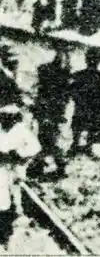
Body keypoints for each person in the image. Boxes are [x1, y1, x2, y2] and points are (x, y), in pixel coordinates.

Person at [0, 103, 40, 249]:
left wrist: (19, 154)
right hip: (2, 166)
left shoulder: (20, 130)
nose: (6, 120)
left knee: (10, 194)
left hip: (13, 166)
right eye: (3, 117)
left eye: (10, 117)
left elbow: (35, 148)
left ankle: (7, 230)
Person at [31, 46, 71, 179]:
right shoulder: (63, 75)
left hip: (44, 111)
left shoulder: (44, 70)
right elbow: (65, 97)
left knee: (45, 140)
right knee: (50, 140)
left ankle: (47, 166)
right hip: (53, 112)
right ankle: (58, 166)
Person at [69, 47, 100, 155]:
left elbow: (72, 90)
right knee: (89, 125)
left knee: (79, 125)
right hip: (91, 106)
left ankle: (77, 145)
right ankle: (83, 146)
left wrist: (78, 100)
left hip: (83, 105)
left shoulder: (79, 75)